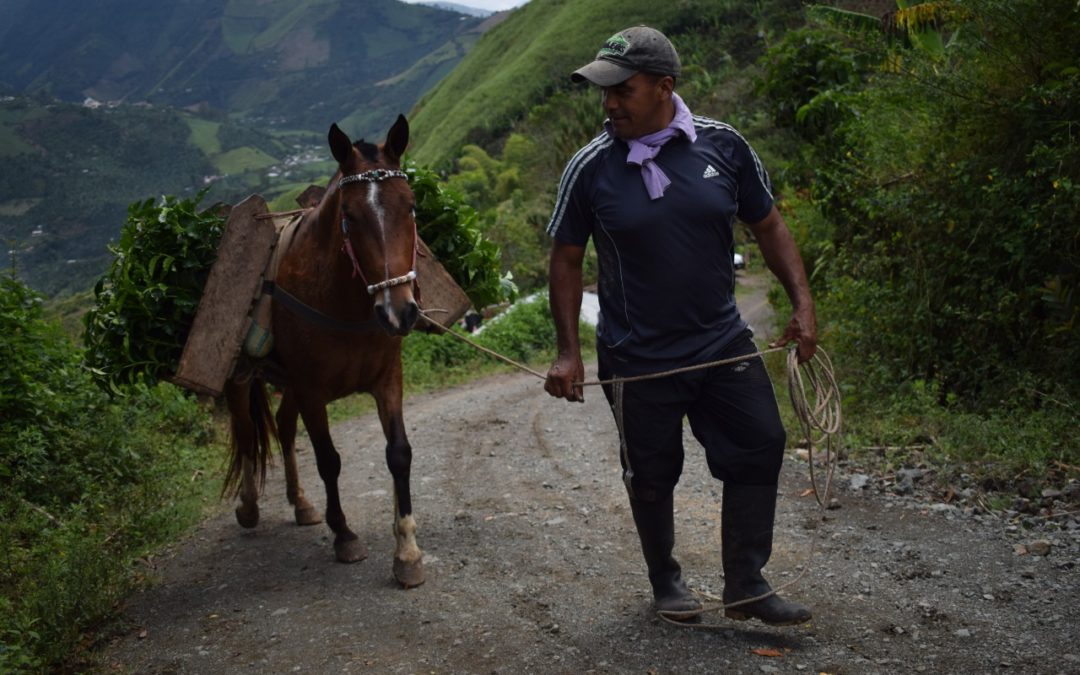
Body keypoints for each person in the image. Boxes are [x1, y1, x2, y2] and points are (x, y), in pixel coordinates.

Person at [543, 26, 816, 626]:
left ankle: (745, 583)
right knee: (651, 474)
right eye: (603, 92)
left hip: (721, 343)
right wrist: (568, 352)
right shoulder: (590, 168)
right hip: (637, 355)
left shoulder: (725, 148)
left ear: (665, 87)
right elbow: (565, 257)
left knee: (761, 443)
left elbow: (768, 225)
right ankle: (666, 582)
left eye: (623, 90)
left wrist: (802, 301)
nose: (609, 103)